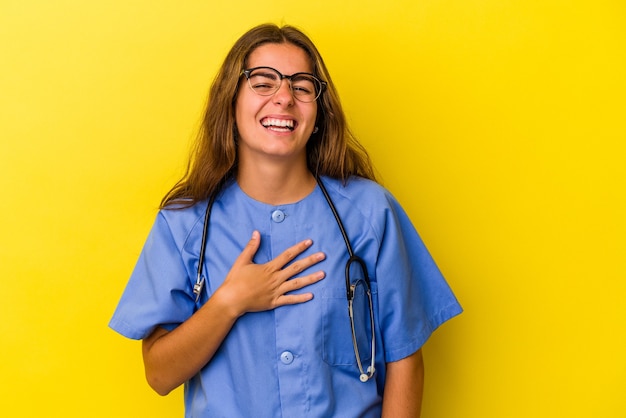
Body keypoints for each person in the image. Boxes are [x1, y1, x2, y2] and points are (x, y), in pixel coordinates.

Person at [109, 23, 462, 417]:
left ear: (318, 111)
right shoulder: (184, 224)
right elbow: (159, 375)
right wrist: (229, 301)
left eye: (302, 86)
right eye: (263, 82)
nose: (284, 98)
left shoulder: (370, 214)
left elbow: (405, 359)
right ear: (231, 99)